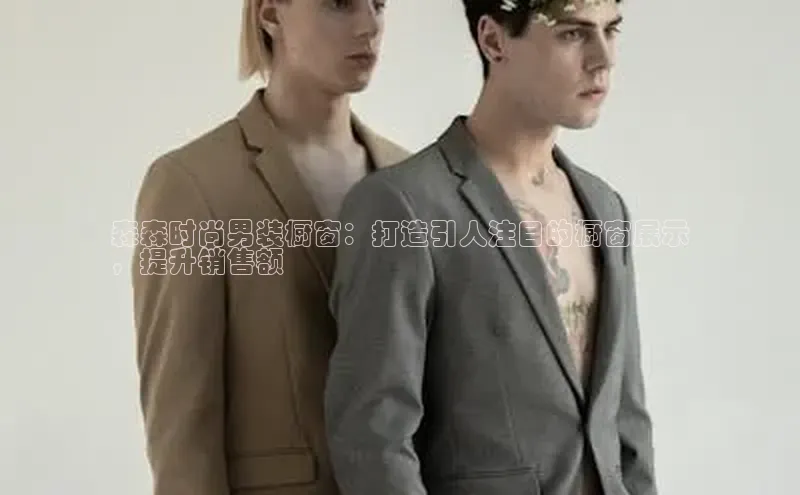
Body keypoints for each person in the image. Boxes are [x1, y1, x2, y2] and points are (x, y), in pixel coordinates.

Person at [324, 0, 657, 494]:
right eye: (572, 33)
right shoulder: (403, 206)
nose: (603, 59)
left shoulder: (605, 207)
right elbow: (373, 439)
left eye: (611, 31)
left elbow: (627, 423)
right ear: (494, 39)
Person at [130, 1, 408, 495]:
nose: (370, 25)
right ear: (271, 14)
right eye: (340, 3)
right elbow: (180, 431)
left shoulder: (410, 179)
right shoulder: (191, 185)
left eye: (380, 4)